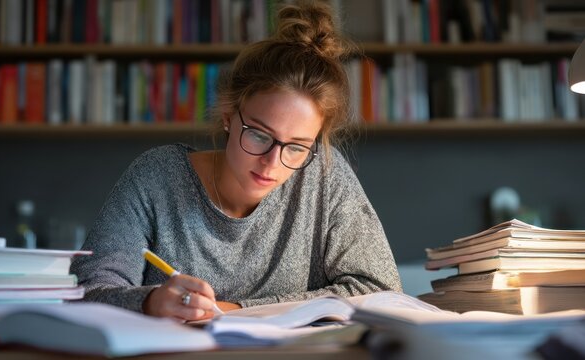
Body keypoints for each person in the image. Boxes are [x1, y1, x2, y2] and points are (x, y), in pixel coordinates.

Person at [71, 0, 402, 322]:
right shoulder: (156, 177)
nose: (273, 163)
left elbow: (381, 291)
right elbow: (87, 292)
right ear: (229, 116)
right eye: (259, 135)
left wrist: (236, 310)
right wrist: (148, 301)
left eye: (297, 147)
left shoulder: (325, 175)